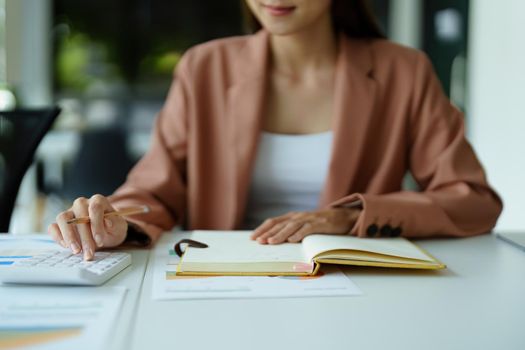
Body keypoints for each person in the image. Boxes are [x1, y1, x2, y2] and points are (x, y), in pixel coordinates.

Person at [48, 0, 502, 261]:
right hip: (221, 277)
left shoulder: (402, 71)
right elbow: (156, 191)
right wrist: (118, 223)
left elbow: (473, 201)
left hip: (352, 285)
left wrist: (348, 216)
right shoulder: (206, 67)